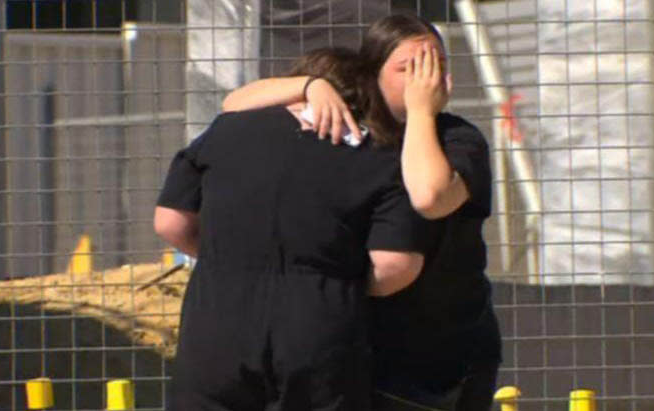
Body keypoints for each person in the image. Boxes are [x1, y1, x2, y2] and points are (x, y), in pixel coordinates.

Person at [222, 14, 502, 411]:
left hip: (448, 348)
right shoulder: (356, 128)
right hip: (368, 345)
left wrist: (421, 113)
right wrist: (310, 86)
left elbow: (429, 196)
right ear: (374, 74)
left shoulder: (458, 138)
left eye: (436, 66)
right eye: (409, 68)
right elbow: (233, 105)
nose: (426, 79)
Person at [154, 47, 430, 411]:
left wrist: (229, 256)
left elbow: (170, 222)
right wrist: (334, 281)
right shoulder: (381, 156)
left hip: (216, 323)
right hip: (318, 328)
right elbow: (396, 265)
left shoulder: (228, 130)